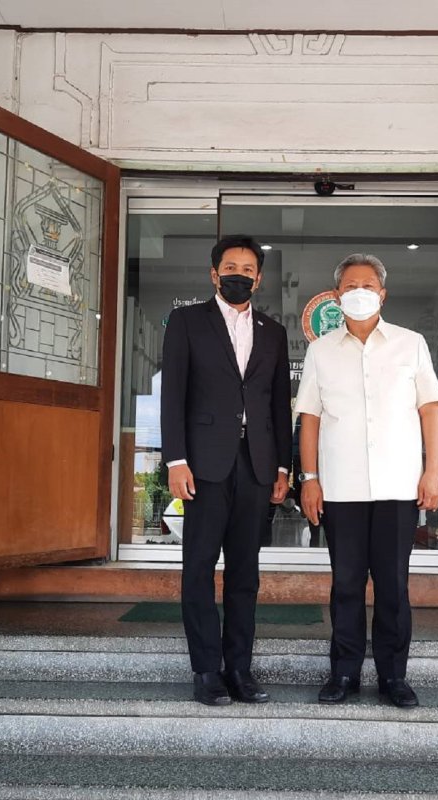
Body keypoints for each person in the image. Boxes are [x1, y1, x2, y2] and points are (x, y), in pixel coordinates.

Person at [295, 253, 438, 708]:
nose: (359, 292)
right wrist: (309, 478)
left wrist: (433, 471)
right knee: (345, 585)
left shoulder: (410, 344)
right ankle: (343, 673)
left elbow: (430, 411)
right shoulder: (321, 351)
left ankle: (393, 676)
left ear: (382, 294)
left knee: (393, 586)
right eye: (350, 286)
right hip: (341, 488)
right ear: (336, 295)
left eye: (367, 285)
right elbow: (310, 419)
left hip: (398, 486)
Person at [161, 234, 292, 706]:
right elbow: (173, 394)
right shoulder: (187, 321)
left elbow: (279, 404)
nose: (240, 275)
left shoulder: (273, 331)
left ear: (259, 278)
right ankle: (206, 670)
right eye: (231, 267)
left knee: (244, 571)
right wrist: (176, 461)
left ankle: (239, 668)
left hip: (256, 463)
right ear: (215, 274)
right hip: (203, 464)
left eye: (248, 269)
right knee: (198, 566)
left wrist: (283, 466)